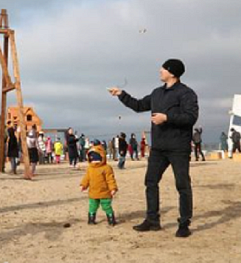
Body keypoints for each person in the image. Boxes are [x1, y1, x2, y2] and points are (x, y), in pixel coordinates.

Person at [109, 58, 198, 238]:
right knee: (150, 181)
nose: (160, 70)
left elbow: (191, 117)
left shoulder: (186, 93)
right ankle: (152, 220)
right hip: (158, 147)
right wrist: (121, 94)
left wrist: (167, 118)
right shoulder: (157, 93)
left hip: (178, 147)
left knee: (182, 185)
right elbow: (139, 105)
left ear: (172, 72)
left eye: (163, 68)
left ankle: (184, 223)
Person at [80, 144, 118, 226]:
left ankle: (111, 220)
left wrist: (113, 188)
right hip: (93, 192)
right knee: (92, 206)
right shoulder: (90, 168)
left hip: (105, 192)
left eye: (95, 158)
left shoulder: (106, 168)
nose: (94, 161)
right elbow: (87, 178)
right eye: (91, 158)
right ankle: (91, 219)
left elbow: (110, 179)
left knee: (106, 206)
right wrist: (84, 185)